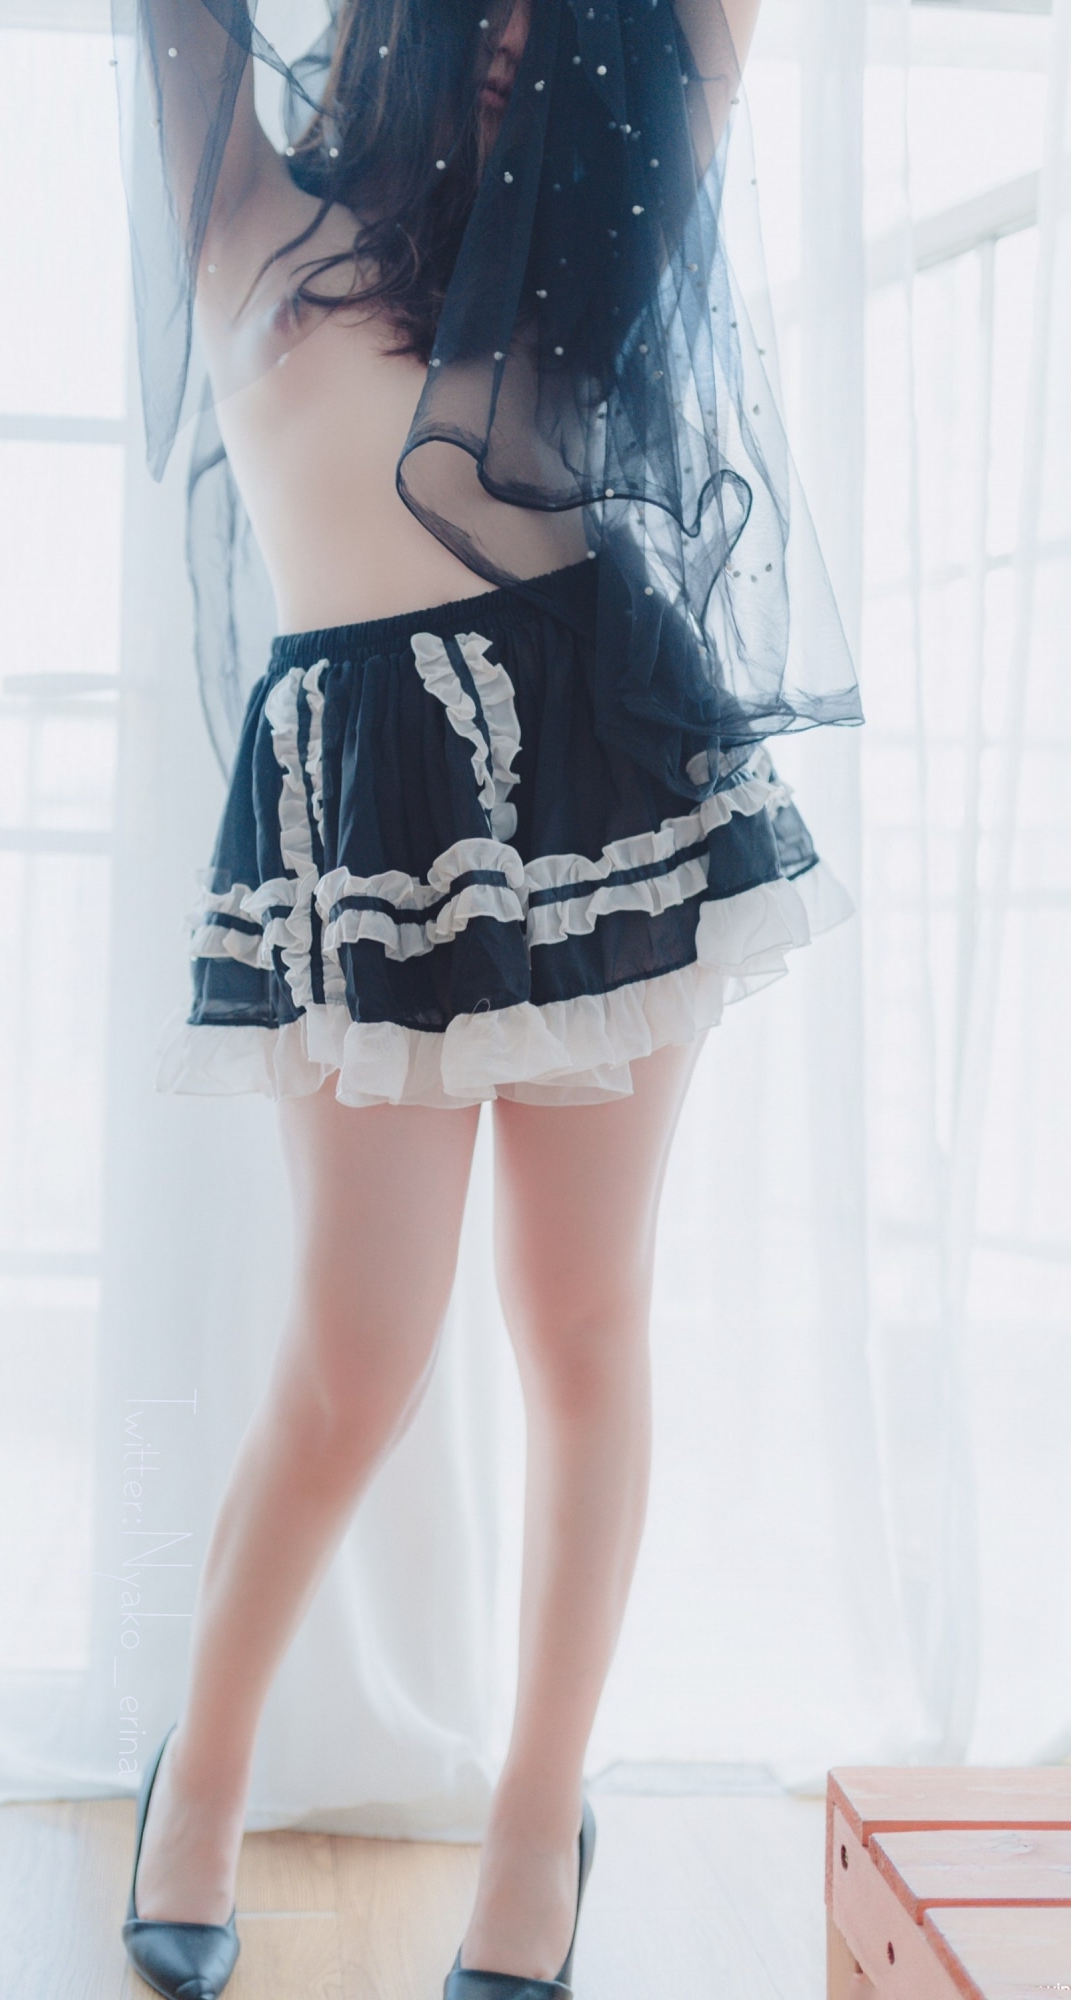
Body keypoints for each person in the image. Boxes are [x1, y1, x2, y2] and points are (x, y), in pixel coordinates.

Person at [111, 3, 861, 1995]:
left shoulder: (598, 226)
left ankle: (536, 1825)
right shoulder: (239, 183)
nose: (535, 39)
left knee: (580, 1316)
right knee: (357, 1355)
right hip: (360, 800)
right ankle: (201, 1774)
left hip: (607, 757)